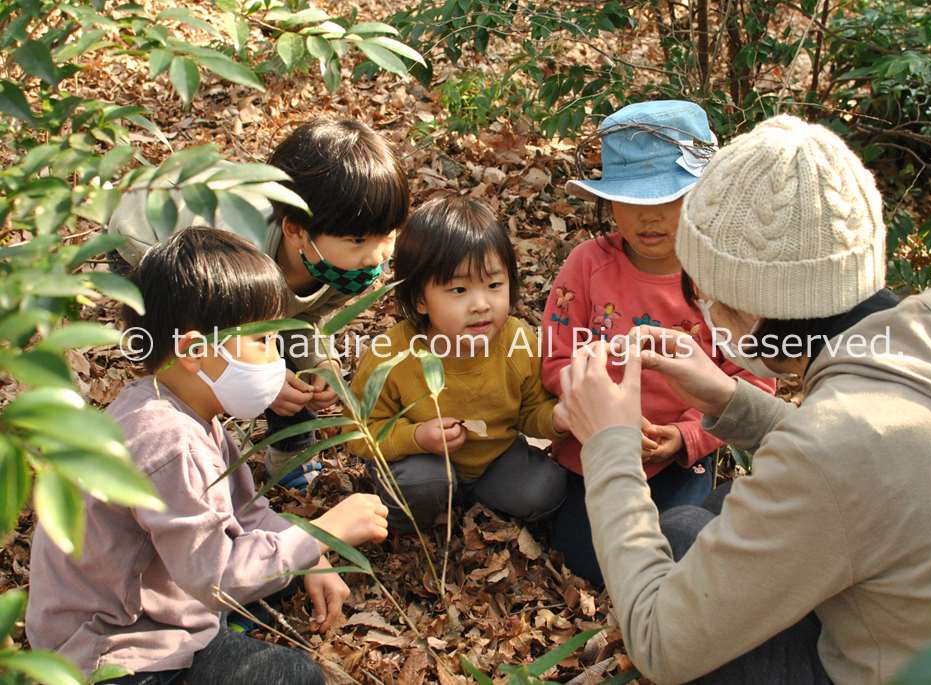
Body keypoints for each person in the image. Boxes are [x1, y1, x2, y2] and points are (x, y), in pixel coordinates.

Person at [554, 115, 931, 684]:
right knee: (701, 515)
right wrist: (727, 395)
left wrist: (611, 446)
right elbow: (875, 469)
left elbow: (660, 644)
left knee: (680, 537)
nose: (703, 311)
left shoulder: (834, 445)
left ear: (750, 305)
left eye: (704, 294)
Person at [27, 228, 390, 685]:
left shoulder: (177, 409)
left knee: (280, 569)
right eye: (263, 342)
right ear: (196, 351)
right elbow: (216, 576)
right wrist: (324, 532)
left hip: (154, 602)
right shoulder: (169, 441)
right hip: (114, 654)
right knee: (295, 677)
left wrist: (313, 556)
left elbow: (248, 514)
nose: (277, 359)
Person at [541, 100, 775, 584]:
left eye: (670, 200)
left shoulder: (720, 277)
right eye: (632, 201)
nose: (651, 219)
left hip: (677, 456)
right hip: (590, 449)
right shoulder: (588, 266)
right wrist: (600, 413)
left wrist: (686, 436)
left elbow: (751, 378)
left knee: (676, 548)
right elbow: (554, 357)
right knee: (584, 561)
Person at [107, 119, 409, 490]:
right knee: (179, 362)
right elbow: (228, 334)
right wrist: (264, 378)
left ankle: (290, 451)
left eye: (389, 236)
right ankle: (174, 450)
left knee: (278, 364)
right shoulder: (244, 255)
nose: (375, 256)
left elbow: (304, 317)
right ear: (295, 229)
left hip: (237, 275)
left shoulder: (345, 263)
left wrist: (321, 362)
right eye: (359, 239)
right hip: (148, 236)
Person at [349, 196, 569, 531]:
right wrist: (417, 436)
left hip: (492, 458)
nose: (481, 304)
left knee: (547, 490)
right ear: (420, 299)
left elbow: (529, 411)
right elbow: (358, 433)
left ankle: (473, 496)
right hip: (422, 461)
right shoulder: (392, 354)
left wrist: (557, 418)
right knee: (422, 485)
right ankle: (407, 520)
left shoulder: (516, 341)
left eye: (494, 285)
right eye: (458, 290)